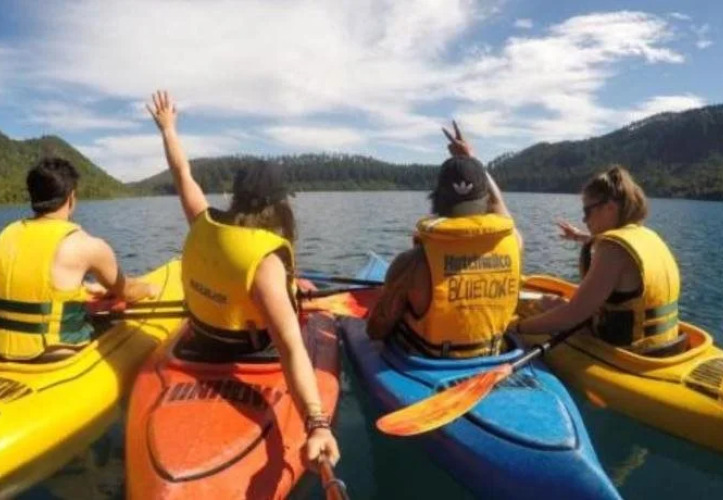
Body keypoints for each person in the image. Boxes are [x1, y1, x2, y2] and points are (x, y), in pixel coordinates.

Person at [145, 90, 340, 468]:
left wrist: (168, 129)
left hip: (200, 343)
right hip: (251, 354)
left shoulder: (200, 220)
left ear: (234, 197)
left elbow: (182, 174)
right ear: (278, 205)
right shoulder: (265, 263)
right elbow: (290, 348)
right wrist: (317, 423)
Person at [367, 122, 523, 359]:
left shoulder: (411, 263)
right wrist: (472, 161)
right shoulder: (514, 241)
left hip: (428, 364)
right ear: (485, 202)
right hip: (493, 358)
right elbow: (500, 206)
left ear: (436, 200)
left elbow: (376, 331)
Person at [0, 157, 158, 361]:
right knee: (117, 326)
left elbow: (33, 279)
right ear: (71, 198)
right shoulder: (86, 244)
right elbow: (128, 292)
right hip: (57, 357)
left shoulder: (6, 235)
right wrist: (150, 289)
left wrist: (83, 289)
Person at [514, 166, 684, 356]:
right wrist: (580, 237)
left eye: (587, 211)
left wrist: (517, 327)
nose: (584, 219)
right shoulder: (648, 236)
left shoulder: (611, 248)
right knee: (549, 301)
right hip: (667, 344)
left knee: (544, 307)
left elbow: (571, 315)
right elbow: (624, 257)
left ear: (610, 207)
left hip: (632, 353)